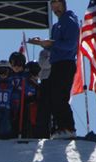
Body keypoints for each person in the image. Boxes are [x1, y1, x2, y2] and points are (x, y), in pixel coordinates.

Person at [28, 0, 79, 139]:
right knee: (53, 97)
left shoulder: (69, 20)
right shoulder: (57, 25)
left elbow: (71, 44)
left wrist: (50, 43)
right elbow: (54, 46)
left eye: (57, 3)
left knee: (60, 96)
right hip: (56, 64)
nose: (54, 8)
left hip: (66, 63)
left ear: (63, 3)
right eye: (52, 5)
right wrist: (42, 43)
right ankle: (61, 128)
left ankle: (68, 128)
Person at [34, 48, 53, 137]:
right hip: (45, 81)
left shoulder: (61, 51)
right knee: (44, 109)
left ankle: (55, 130)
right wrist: (53, 58)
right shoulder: (44, 52)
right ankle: (43, 133)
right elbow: (43, 64)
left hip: (56, 82)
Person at [8, 51, 28, 136]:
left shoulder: (25, 76)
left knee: (23, 117)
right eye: (13, 64)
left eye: (19, 64)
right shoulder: (8, 76)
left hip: (23, 101)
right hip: (10, 102)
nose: (16, 67)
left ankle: (22, 133)